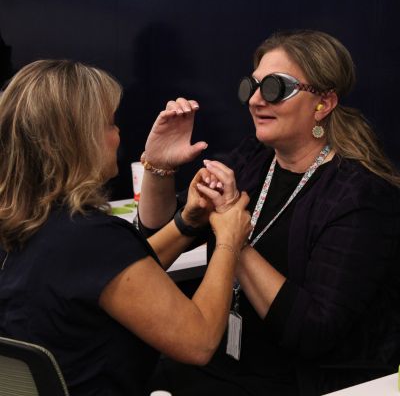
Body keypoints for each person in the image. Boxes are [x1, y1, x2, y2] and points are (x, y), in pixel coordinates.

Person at [138, 29, 400, 395]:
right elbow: (156, 236)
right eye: (252, 86)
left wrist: (234, 235)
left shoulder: (360, 195)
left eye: (277, 87)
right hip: (221, 361)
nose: (256, 100)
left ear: (323, 103)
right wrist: (159, 167)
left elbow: (314, 332)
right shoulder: (253, 160)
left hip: (299, 380)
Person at [0, 59, 252, 396]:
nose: (118, 135)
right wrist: (229, 240)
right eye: (108, 124)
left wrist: (187, 222)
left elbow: (118, 276)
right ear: (75, 140)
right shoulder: (90, 237)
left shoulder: (32, 222)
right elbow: (200, 341)